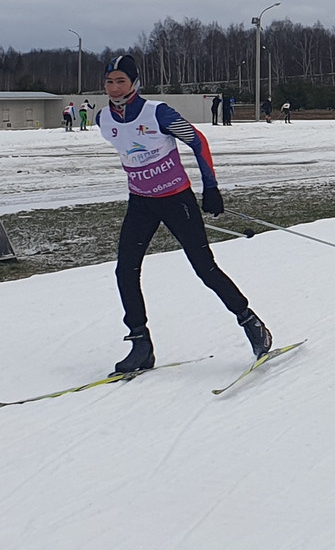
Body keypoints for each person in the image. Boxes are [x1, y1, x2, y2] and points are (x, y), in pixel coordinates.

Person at [96, 55, 272, 374]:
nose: (114, 88)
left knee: (204, 268)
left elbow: (197, 141)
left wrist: (211, 187)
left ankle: (251, 323)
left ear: (134, 83)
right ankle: (140, 344)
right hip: (141, 203)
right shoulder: (103, 120)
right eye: (109, 82)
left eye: (121, 81)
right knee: (125, 270)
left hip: (176, 200)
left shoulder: (158, 113)